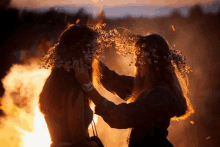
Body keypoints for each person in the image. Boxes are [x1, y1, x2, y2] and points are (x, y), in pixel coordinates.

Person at [73, 33, 194, 147]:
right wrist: (90, 58)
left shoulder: (161, 97)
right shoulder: (148, 88)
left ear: (153, 62)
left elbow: (119, 116)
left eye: (140, 58)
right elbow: (114, 81)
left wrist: (88, 86)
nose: (136, 64)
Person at [39, 24, 101, 147]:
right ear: (84, 54)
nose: (95, 56)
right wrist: (94, 144)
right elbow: (79, 141)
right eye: (92, 51)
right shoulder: (74, 89)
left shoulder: (52, 80)